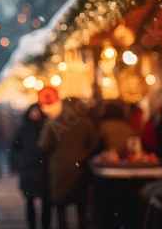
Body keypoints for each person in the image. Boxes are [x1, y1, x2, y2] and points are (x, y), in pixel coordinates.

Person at [38, 97, 100, 229]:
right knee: (81, 205)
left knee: (61, 206)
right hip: (80, 169)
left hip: (59, 169)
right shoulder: (85, 122)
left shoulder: (54, 123)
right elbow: (94, 143)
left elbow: (44, 145)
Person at [12, 103, 50, 229]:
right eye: (33, 111)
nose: (35, 114)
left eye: (37, 111)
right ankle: (32, 225)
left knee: (46, 201)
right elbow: (15, 147)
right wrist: (19, 163)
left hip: (44, 170)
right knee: (29, 200)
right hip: (28, 169)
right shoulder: (23, 128)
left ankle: (46, 225)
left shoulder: (47, 126)